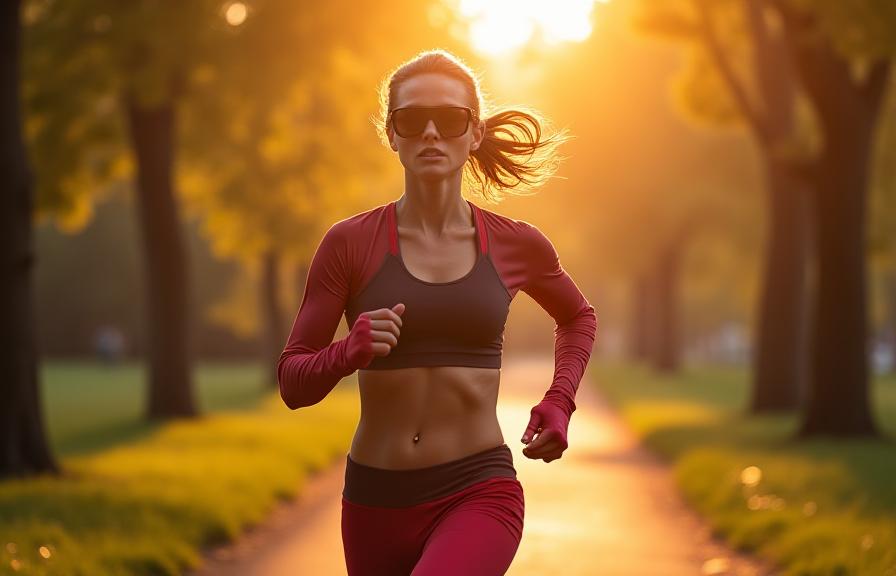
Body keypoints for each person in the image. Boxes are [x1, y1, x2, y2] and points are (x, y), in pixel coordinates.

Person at [277, 49, 597, 576]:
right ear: (391, 134)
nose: (430, 133)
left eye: (449, 119)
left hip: (478, 489)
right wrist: (347, 352)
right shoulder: (348, 244)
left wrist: (560, 400)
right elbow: (293, 383)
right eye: (412, 119)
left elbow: (578, 316)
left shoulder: (516, 244)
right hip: (373, 500)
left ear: (475, 133)